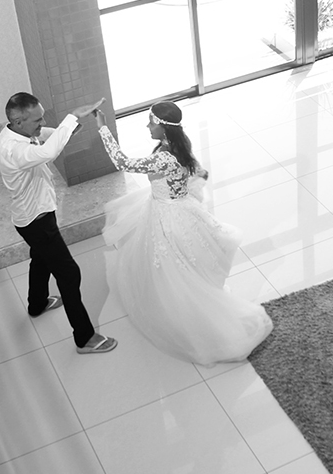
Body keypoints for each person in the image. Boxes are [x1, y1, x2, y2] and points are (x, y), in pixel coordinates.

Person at [94, 101, 272, 366]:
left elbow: (122, 162)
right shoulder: (180, 145)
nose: (147, 126)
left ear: (163, 127)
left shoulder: (164, 156)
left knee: (172, 267)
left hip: (167, 216)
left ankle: (185, 314)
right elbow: (196, 172)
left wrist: (103, 128)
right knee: (186, 262)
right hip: (182, 209)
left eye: (151, 122)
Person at [0, 92, 116, 354]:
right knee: (69, 273)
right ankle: (84, 338)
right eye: (37, 120)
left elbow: (49, 137)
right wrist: (72, 116)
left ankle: (36, 304)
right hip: (37, 222)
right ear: (18, 121)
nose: (41, 124)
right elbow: (48, 151)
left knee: (40, 259)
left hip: (33, 217)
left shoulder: (17, 133)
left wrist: (72, 125)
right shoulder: (14, 149)